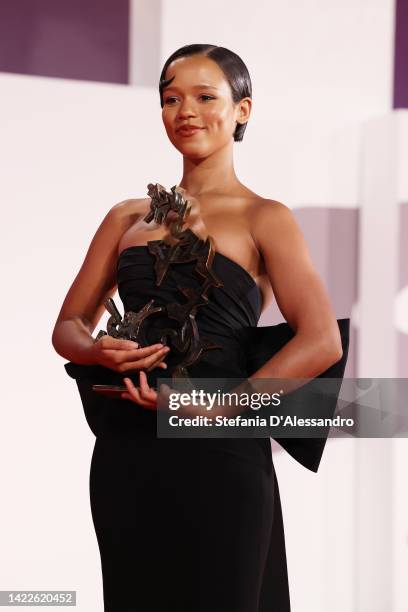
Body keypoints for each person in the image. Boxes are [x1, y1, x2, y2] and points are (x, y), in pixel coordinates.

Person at [52, 44, 343, 612]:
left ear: (243, 110)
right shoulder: (126, 217)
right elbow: (67, 326)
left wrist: (218, 408)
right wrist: (99, 352)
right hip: (127, 452)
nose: (184, 110)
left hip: (221, 454)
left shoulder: (266, 217)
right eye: (170, 98)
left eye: (205, 96)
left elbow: (321, 340)